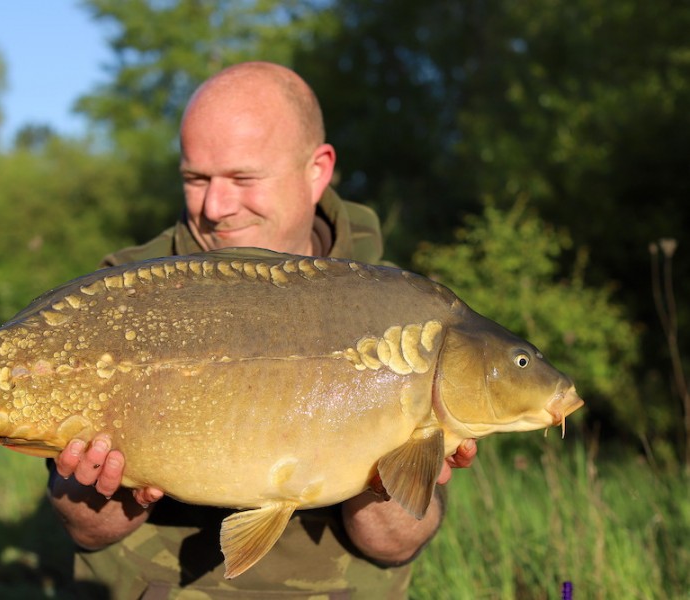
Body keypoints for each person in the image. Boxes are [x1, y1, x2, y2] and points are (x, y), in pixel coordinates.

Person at [47, 61, 477, 598]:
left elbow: (393, 543)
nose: (216, 207)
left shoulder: (404, 312)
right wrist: (111, 485)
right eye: (196, 179)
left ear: (316, 171)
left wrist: (392, 464)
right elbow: (86, 529)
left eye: (243, 178)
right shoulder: (121, 298)